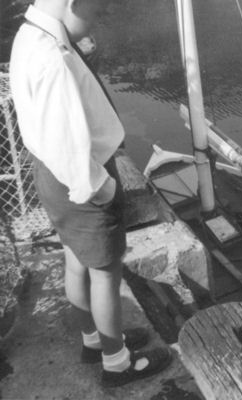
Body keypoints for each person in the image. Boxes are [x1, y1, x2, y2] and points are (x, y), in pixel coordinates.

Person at [10, 0, 171, 387]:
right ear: (71, 3)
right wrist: (102, 188)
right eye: (97, 10)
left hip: (51, 176)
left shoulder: (31, 35)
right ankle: (117, 363)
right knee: (105, 274)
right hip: (78, 180)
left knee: (75, 260)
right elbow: (67, 145)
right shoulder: (52, 58)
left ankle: (94, 340)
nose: (101, 17)